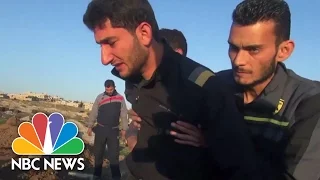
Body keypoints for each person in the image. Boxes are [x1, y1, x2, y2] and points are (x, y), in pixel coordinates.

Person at [83, 0, 262, 179]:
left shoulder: (204, 88)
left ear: (144, 33)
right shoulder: (131, 75)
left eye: (111, 43)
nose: (104, 59)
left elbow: (241, 166)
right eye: (100, 45)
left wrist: (210, 142)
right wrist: (132, 136)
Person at [153, 0, 320, 179]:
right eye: (233, 47)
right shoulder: (213, 86)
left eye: (253, 49)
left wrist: (215, 142)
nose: (238, 60)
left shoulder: (308, 102)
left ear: (284, 50)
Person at [125, 28, 188, 151]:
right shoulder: (141, 86)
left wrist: (205, 139)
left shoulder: (199, 94)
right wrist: (131, 136)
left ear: (177, 54)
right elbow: (135, 125)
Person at [87, 79, 128, 180]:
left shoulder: (120, 98)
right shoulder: (100, 97)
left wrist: (124, 129)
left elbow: (123, 115)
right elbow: (94, 112)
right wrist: (90, 125)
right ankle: (96, 176)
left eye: (110, 90)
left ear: (114, 87)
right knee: (98, 154)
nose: (109, 91)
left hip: (113, 131)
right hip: (100, 129)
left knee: (114, 156)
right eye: (107, 90)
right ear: (105, 88)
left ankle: (116, 177)